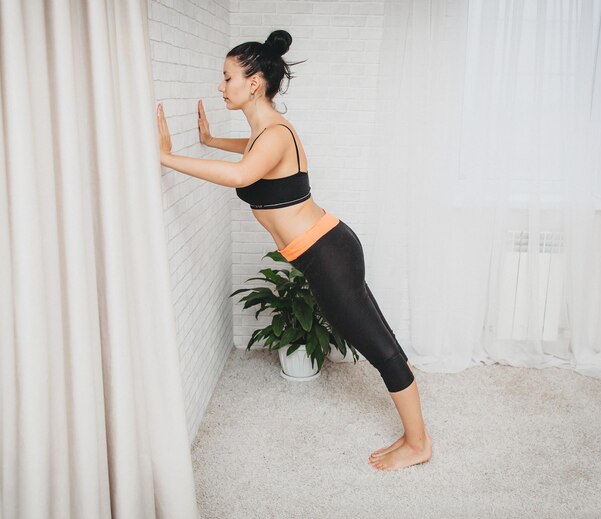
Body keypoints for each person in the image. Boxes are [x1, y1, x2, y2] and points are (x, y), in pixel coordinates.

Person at [156, 29, 432, 471]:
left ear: (252, 83)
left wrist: (166, 157)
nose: (219, 85)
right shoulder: (266, 132)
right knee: (379, 338)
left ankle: (419, 443)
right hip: (326, 249)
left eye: (226, 77)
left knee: (379, 348)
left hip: (328, 255)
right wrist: (209, 141)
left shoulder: (274, 136)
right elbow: (249, 153)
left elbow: (242, 174)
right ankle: (415, 434)